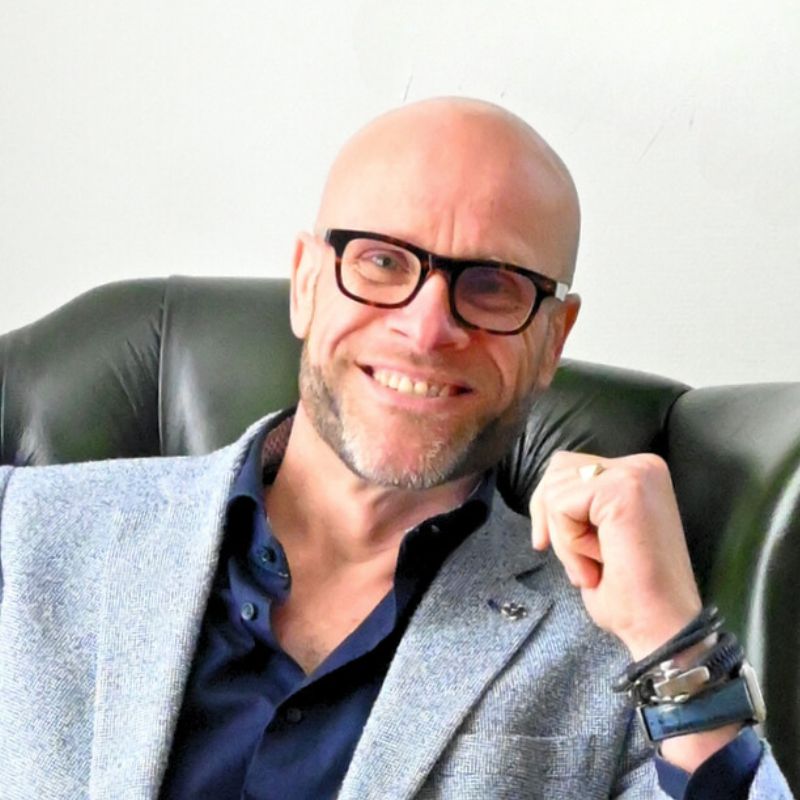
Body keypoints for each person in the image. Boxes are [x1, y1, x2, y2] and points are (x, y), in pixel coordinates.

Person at [0, 98, 792, 799]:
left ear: (553, 339)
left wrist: (672, 639)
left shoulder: (613, 644)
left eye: (492, 284)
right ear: (306, 283)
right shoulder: (25, 530)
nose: (426, 330)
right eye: (382, 261)